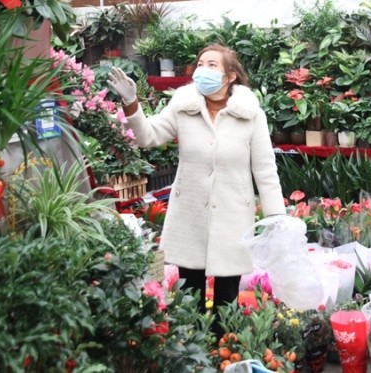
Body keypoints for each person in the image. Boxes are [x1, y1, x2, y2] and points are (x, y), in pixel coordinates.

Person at [107, 44, 286, 329]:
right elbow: (148, 136)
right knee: (190, 296)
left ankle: (225, 352)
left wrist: (276, 215)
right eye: (201, 63)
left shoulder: (251, 114)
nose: (203, 69)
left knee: (227, 300)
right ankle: (192, 355)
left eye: (212, 65)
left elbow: (264, 168)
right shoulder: (183, 106)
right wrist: (132, 104)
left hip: (232, 216)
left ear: (230, 76)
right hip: (189, 216)